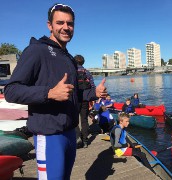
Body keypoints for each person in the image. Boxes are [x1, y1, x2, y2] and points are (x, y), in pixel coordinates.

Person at [4, 3, 107, 179]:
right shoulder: (36, 51)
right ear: (50, 25)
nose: (66, 27)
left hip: (69, 133)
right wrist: (49, 93)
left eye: (70, 23)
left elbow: (72, 94)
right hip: (49, 136)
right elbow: (11, 91)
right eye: (60, 23)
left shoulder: (68, 57)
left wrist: (94, 94)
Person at [74, 54, 97, 148]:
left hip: (75, 99)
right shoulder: (87, 72)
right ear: (83, 62)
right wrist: (92, 100)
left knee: (74, 120)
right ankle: (85, 141)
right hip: (85, 99)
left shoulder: (72, 71)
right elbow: (92, 86)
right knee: (84, 120)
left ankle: (77, 137)